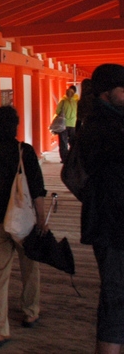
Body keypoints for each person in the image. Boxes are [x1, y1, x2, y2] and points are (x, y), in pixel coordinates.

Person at [0, 105, 48, 349]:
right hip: (24, 223)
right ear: (16, 126)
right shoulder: (24, 151)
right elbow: (37, 189)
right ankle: (30, 311)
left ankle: (0, 329)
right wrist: (41, 219)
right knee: (30, 268)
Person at [77, 64, 124, 354]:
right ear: (107, 93)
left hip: (110, 221)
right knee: (115, 296)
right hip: (112, 224)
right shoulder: (101, 127)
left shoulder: (107, 121)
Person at [55, 85, 78, 162]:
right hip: (73, 124)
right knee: (72, 142)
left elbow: (57, 111)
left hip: (63, 124)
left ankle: (64, 159)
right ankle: (72, 157)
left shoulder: (63, 101)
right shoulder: (76, 102)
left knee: (63, 142)